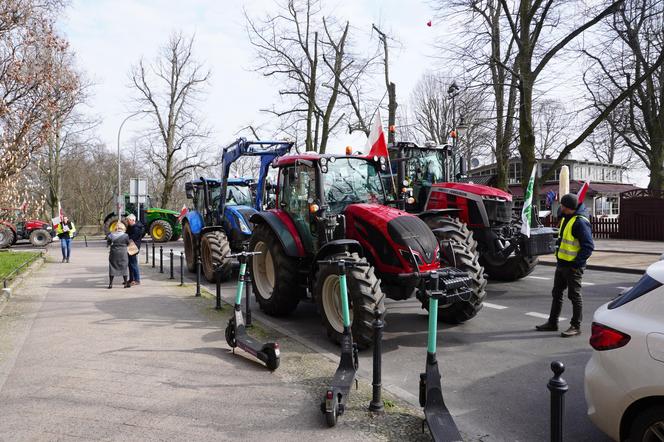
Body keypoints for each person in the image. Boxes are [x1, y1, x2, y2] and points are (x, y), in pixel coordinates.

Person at [536, 193, 594, 337]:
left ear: (569, 208)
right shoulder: (567, 217)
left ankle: (576, 326)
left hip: (573, 266)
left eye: (562, 205)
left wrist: (576, 264)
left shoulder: (580, 222)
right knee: (557, 294)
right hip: (562, 263)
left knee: (574, 296)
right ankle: (552, 323)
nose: (560, 207)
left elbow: (588, 246)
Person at [107, 222, 130, 289]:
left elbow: (108, 243)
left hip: (114, 253)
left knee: (112, 267)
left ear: (115, 228)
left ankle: (110, 284)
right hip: (123, 253)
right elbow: (128, 243)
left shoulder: (111, 235)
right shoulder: (126, 235)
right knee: (124, 267)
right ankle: (125, 283)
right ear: (123, 228)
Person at [126, 214, 145, 286]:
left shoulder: (137, 228)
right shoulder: (131, 226)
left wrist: (125, 238)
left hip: (134, 247)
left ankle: (137, 280)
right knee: (130, 264)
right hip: (131, 246)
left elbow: (132, 237)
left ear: (132, 220)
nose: (127, 222)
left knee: (133, 264)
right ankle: (131, 279)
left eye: (128, 221)